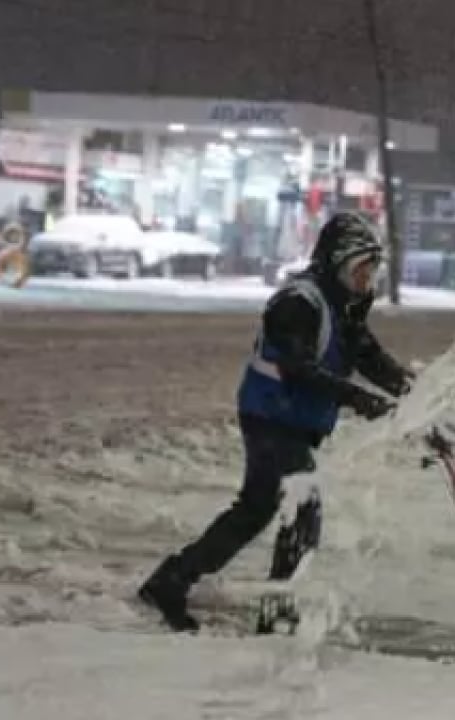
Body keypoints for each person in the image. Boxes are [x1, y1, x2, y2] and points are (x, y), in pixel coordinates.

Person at [138, 212, 412, 633]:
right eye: (363, 269)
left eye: (373, 271)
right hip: (270, 417)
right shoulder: (298, 303)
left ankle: (173, 580)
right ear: (339, 262)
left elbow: (372, 360)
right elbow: (298, 367)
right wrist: (361, 400)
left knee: (258, 509)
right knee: (299, 508)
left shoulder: (342, 307)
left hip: (291, 421)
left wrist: (421, 395)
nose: (368, 280)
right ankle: (273, 607)